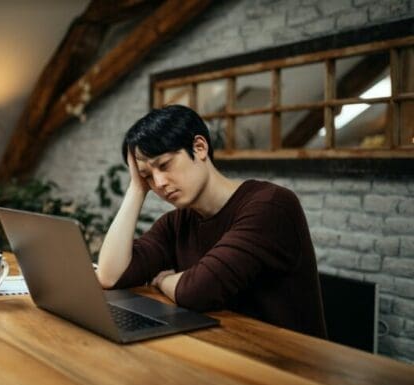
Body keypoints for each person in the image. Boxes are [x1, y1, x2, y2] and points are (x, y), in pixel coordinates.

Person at [96, 105, 327, 338]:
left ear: (199, 147)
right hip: (222, 349)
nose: (159, 183)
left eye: (164, 165)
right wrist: (136, 188)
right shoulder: (176, 223)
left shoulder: (271, 206)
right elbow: (109, 275)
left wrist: (163, 280)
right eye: (148, 176)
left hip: (287, 362)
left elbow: (198, 291)